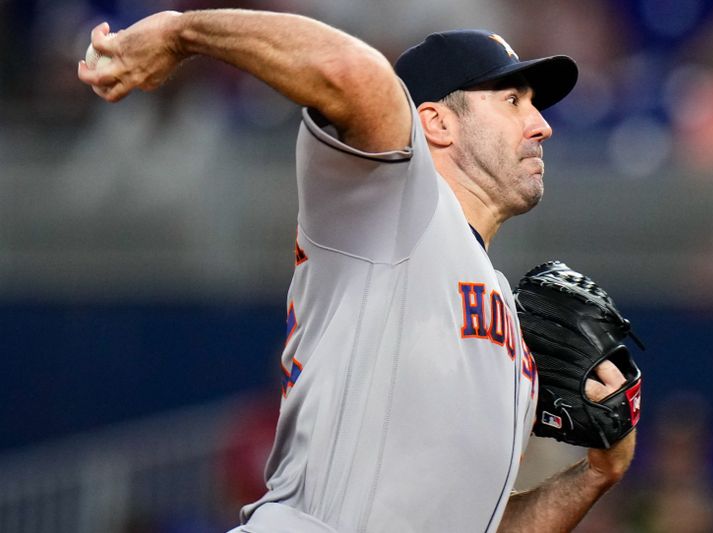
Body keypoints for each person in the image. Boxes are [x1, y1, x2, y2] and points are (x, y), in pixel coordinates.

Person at [78, 9, 636, 532]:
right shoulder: (395, 200)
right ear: (436, 123)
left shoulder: (510, 325)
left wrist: (594, 475)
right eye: (513, 101)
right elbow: (354, 72)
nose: (542, 125)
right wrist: (181, 33)